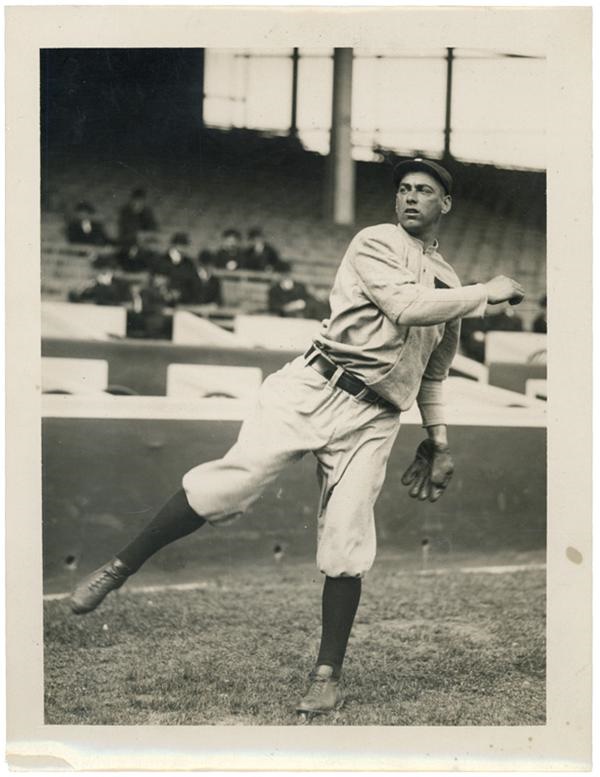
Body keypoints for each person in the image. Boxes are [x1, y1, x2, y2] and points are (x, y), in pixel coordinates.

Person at [69, 158, 525, 719]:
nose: (410, 197)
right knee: (231, 486)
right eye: (403, 188)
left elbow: (433, 372)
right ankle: (119, 568)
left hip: (375, 415)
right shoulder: (374, 241)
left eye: (424, 191)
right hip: (314, 384)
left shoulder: (452, 284)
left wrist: (439, 438)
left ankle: (326, 676)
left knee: (347, 537)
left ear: (444, 205)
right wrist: (487, 291)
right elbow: (405, 307)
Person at [153, 232, 202, 305]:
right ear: (174, 245)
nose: (183, 249)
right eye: (181, 246)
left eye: (185, 246)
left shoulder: (189, 264)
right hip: (162, 301)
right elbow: (156, 282)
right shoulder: (161, 261)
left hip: (184, 302)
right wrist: (167, 293)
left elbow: (194, 284)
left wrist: (181, 293)